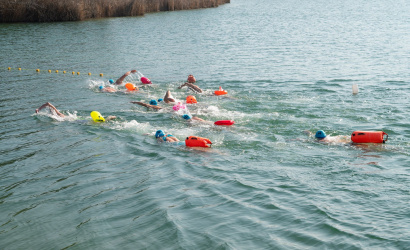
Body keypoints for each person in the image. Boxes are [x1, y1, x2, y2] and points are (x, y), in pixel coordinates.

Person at [36, 102, 116, 121]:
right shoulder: (58, 115)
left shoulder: (58, 115)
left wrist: (39, 109)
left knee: (92, 122)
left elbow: (48, 103)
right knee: (92, 121)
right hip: (74, 119)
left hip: (74, 120)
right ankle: (108, 118)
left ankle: (108, 118)